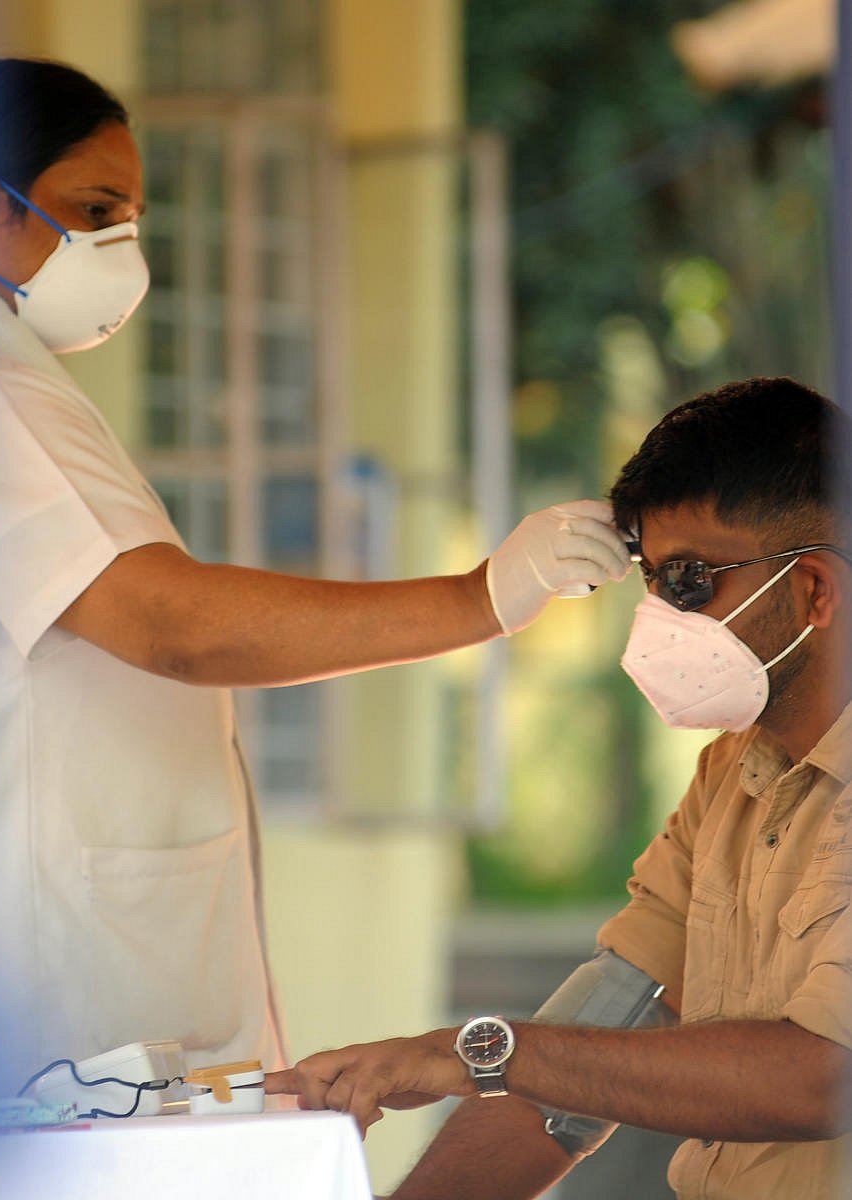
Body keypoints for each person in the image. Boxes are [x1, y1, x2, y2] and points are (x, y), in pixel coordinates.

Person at [0, 56, 630, 1095]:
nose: (121, 252)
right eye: (93, 210)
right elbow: (169, 622)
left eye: (131, 218)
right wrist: (479, 596)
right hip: (55, 1012)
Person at [266, 376, 852, 1200]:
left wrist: (483, 1051)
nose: (659, 613)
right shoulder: (732, 774)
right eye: (650, 577)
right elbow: (606, 1021)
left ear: (814, 590)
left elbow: (819, 1080)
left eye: (688, 581)